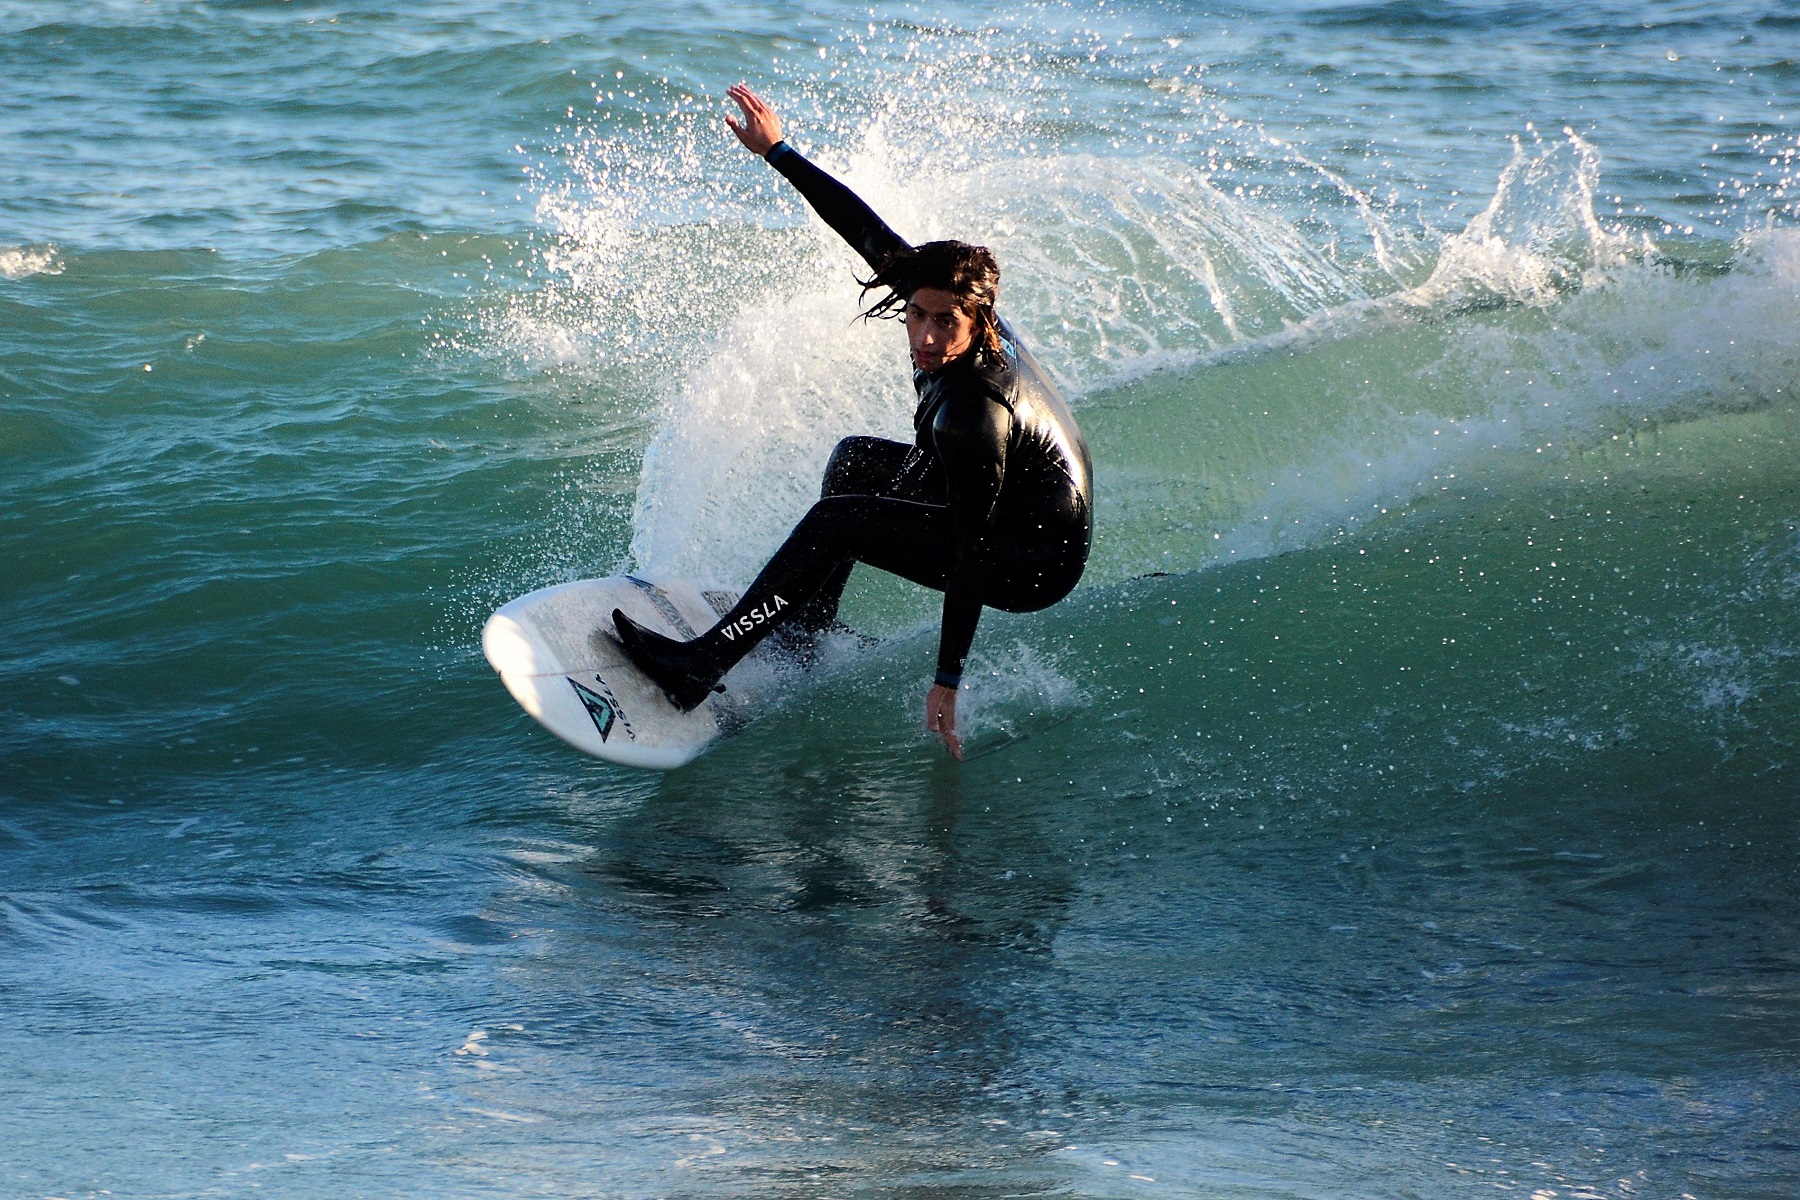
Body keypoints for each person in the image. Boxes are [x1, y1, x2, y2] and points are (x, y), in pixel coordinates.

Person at [613, 84, 1092, 760]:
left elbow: (971, 551)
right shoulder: (944, 297)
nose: (924, 336)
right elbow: (862, 226)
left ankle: (699, 667)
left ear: (978, 321)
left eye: (943, 323)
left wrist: (946, 681)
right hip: (1007, 504)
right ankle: (803, 628)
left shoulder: (973, 412)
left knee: (840, 519)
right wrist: (777, 150)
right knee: (854, 462)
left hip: (1030, 558)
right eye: (915, 314)